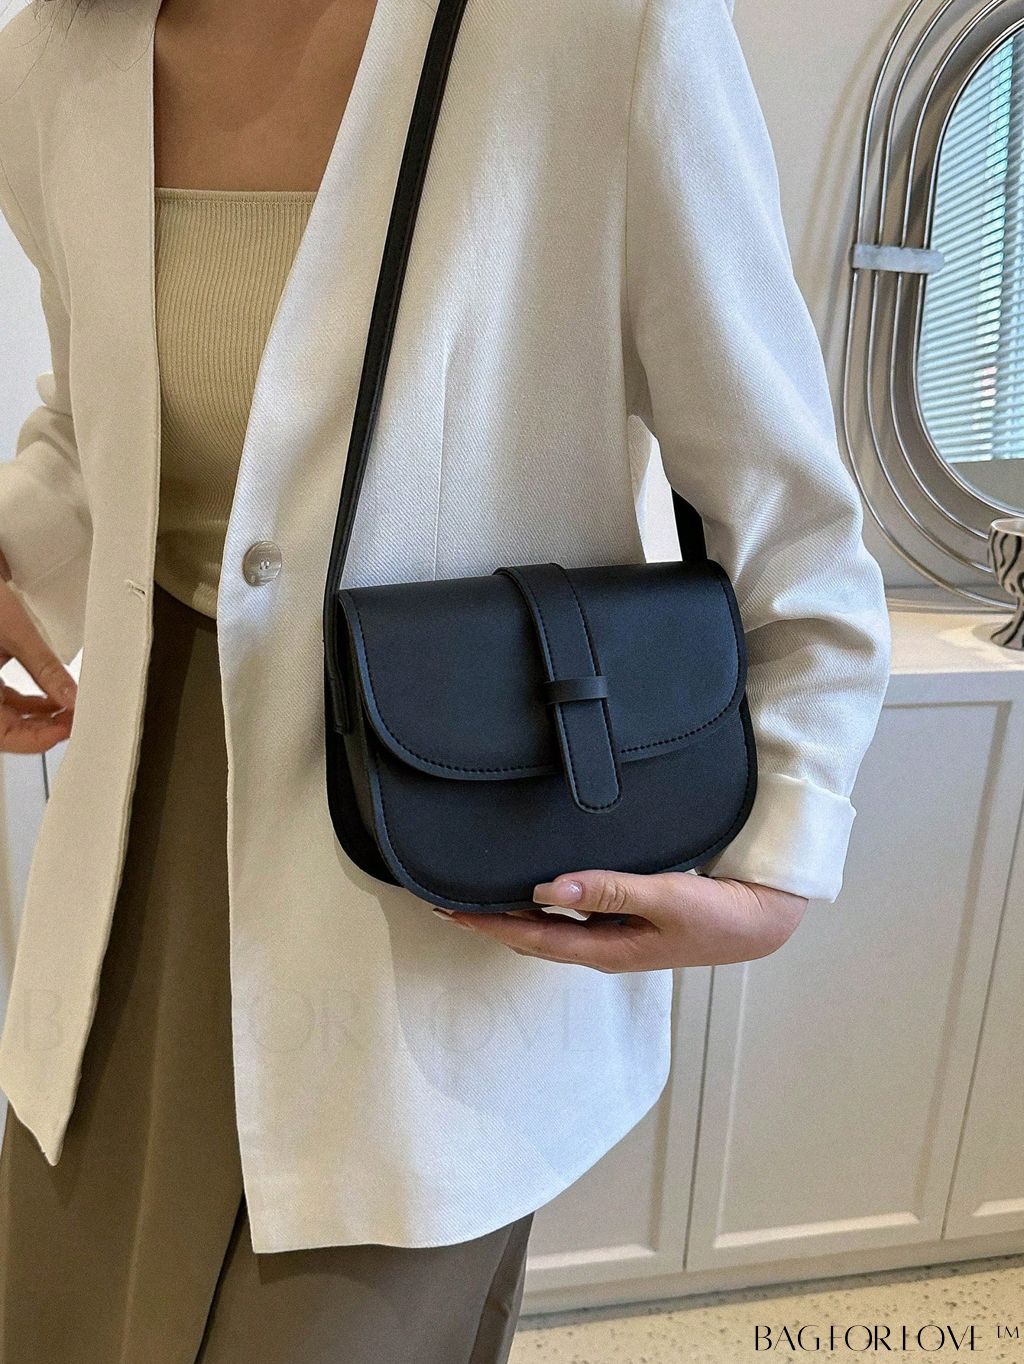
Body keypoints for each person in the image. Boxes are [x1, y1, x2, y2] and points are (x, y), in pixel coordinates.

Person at [0, 0, 892, 1358]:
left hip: (437, 869)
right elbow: (95, 419)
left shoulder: (600, 27)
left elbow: (780, 495)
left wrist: (786, 845)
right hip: (126, 862)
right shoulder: (54, 60)